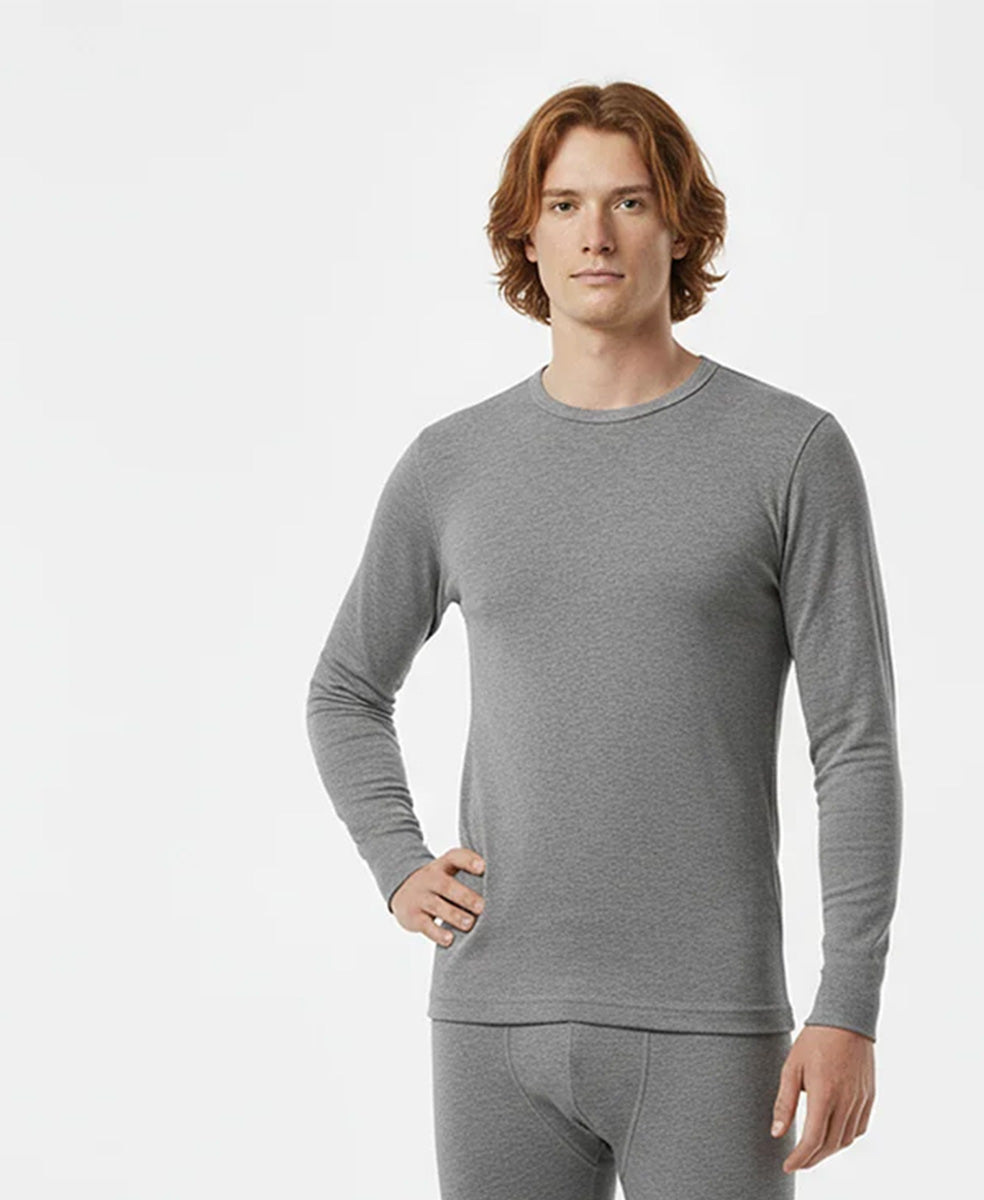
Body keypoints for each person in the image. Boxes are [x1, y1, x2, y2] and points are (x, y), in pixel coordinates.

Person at [306, 80, 903, 1200]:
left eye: (629, 202)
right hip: (492, 1016)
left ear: (680, 228)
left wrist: (849, 1005)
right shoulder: (452, 464)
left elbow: (855, 744)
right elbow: (345, 688)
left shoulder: (790, 451)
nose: (596, 234)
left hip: (712, 1024)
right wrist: (397, 862)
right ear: (526, 235)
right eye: (565, 204)